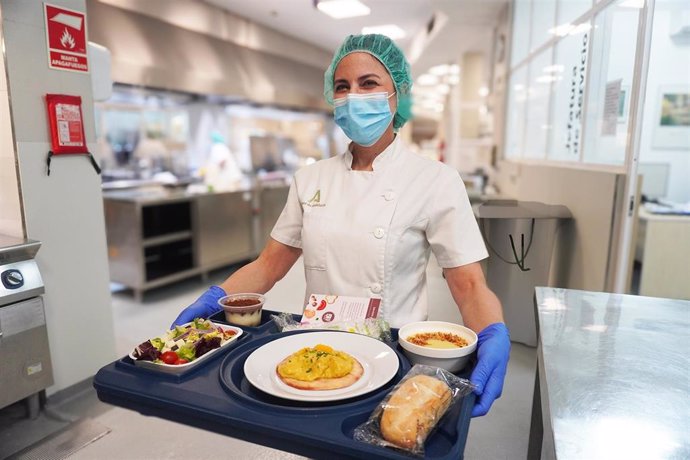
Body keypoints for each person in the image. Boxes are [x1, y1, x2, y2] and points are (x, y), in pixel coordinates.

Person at [173, 34, 510, 417]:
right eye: (342, 87)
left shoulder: (435, 180)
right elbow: (269, 265)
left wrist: (492, 332)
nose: (353, 96)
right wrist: (215, 298)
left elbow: (468, 284)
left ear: (397, 94)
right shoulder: (310, 178)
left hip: (395, 353)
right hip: (315, 349)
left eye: (368, 84)